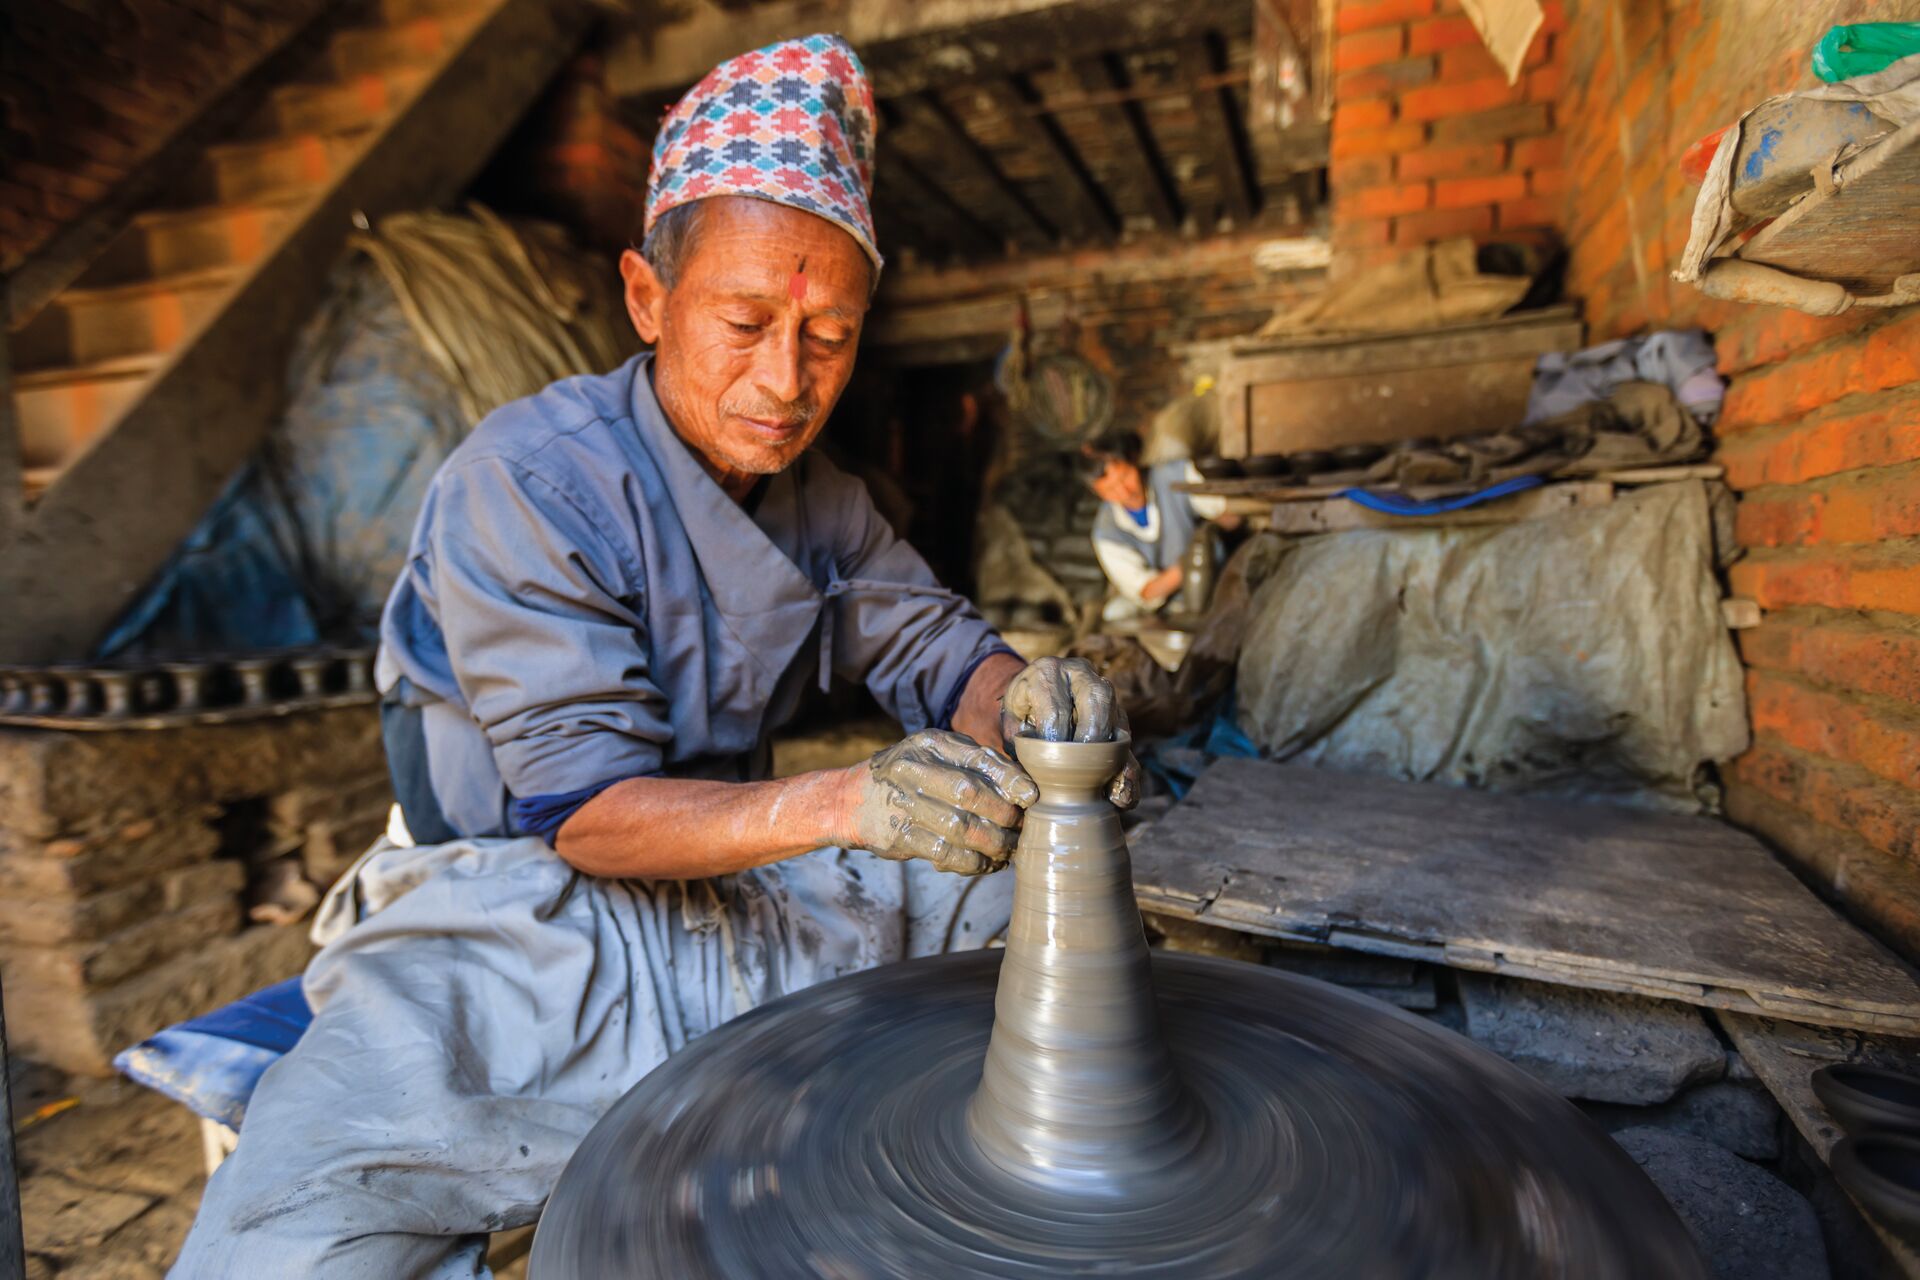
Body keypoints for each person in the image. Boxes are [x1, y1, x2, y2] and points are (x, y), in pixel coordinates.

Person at [173, 34, 1134, 1276]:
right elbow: (586, 816)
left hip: (739, 870)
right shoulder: (528, 479)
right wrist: (847, 801)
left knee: (1041, 889)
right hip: (513, 902)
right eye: (745, 322)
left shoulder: (823, 499)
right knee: (301, 1233)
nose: (786, 380)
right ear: (646, 297)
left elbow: (937, 646)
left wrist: (1024, 694)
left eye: (830, 336)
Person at [1081, 429, 1238, 619]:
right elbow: (1147, 591)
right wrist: (1191, 562)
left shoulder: (1174, 475)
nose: (1124, 492)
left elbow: (1231, 514)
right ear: (1098, 494)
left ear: (1134, 461)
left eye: (1125, 477)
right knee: (1115, 614)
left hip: (1214, 586)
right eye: (1110, 490)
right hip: (1162, 607)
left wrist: (1209, 537)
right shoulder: (1106, 533)